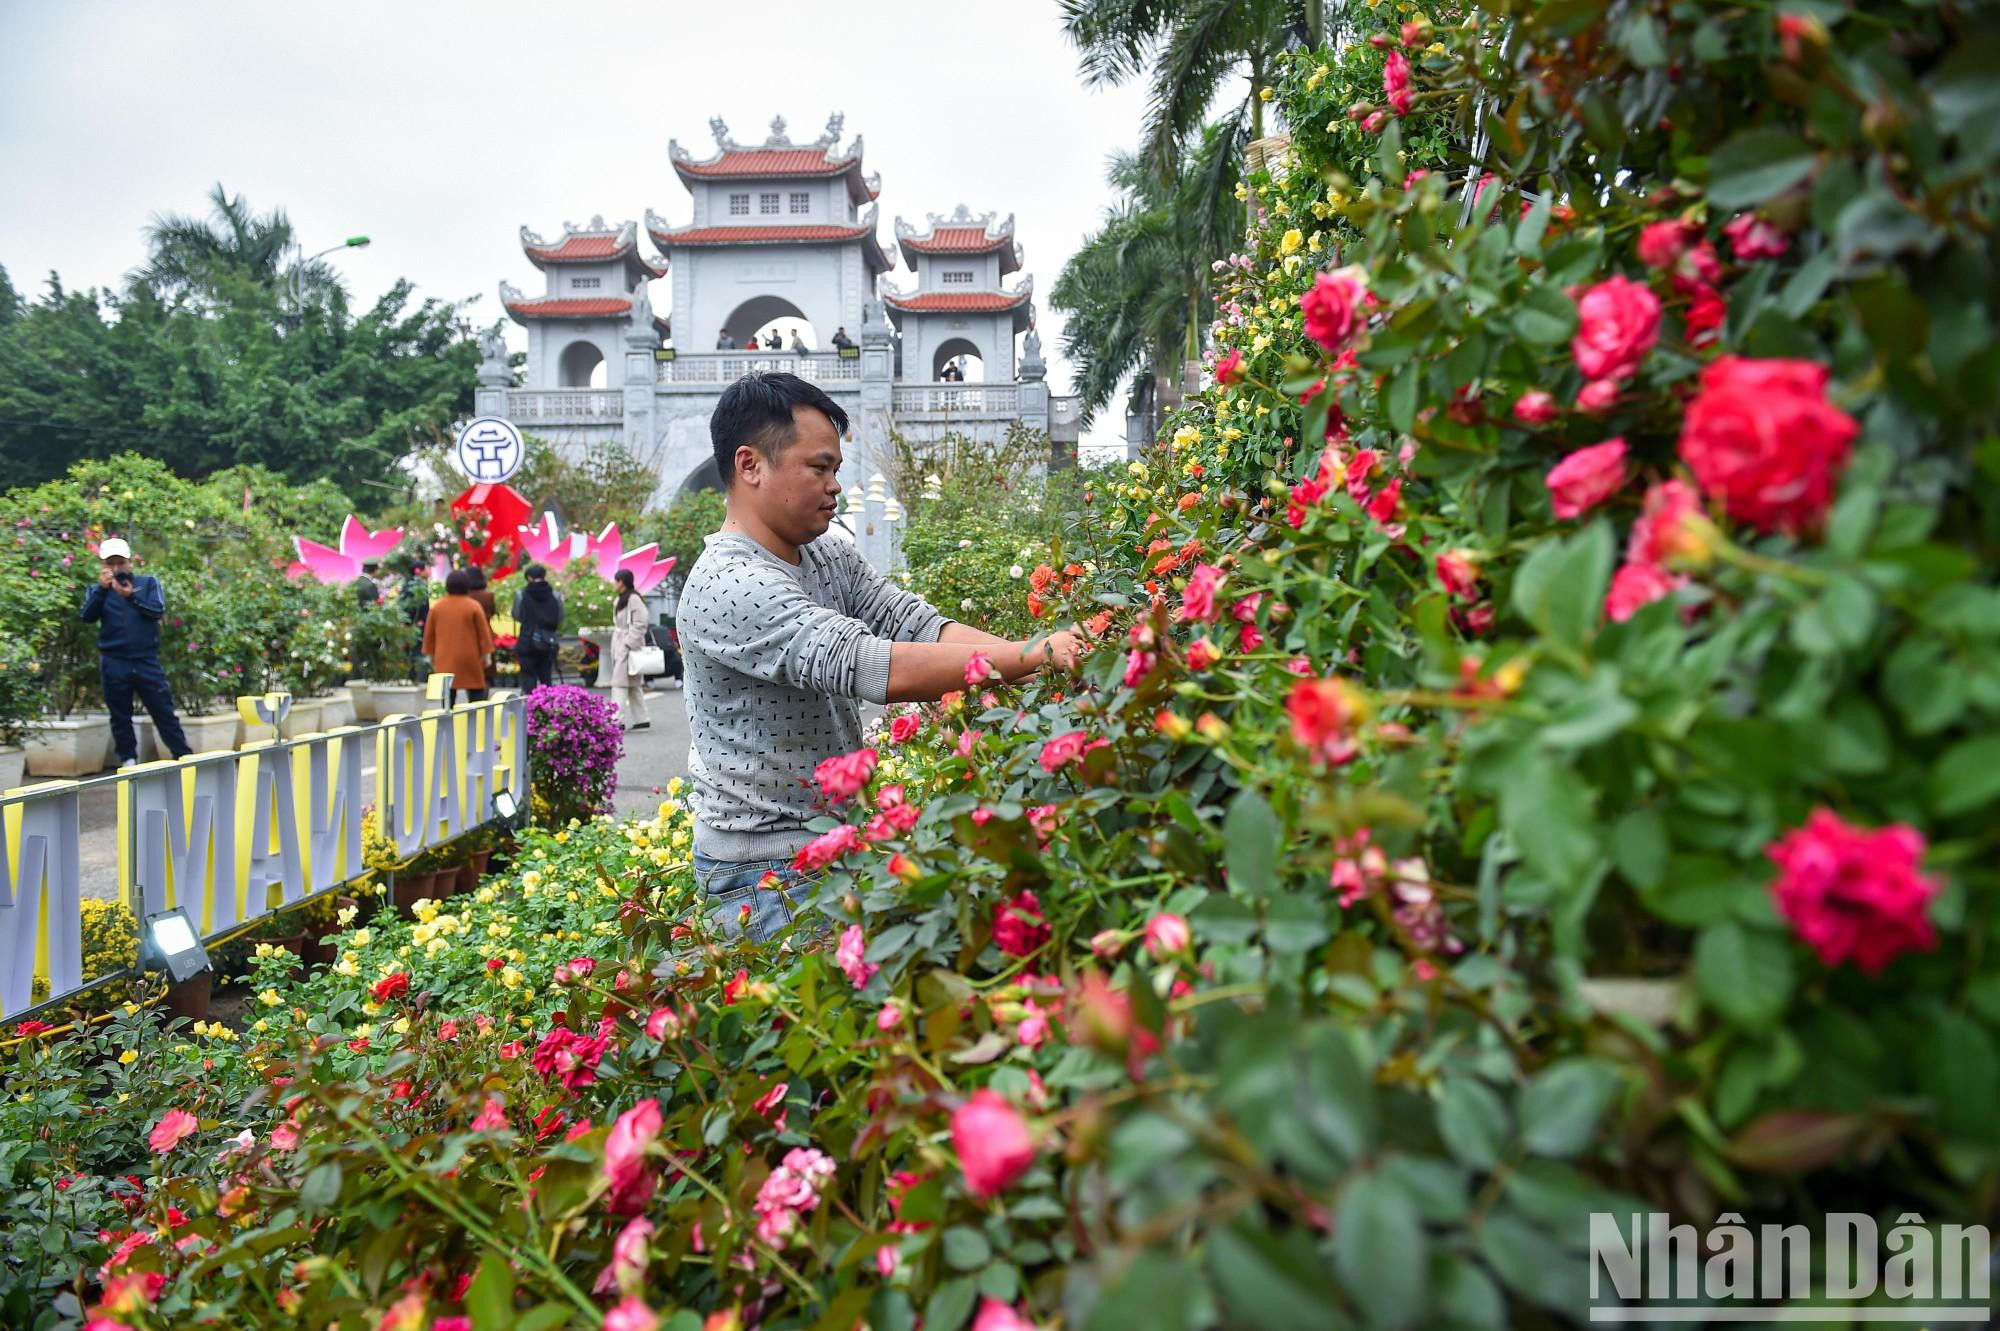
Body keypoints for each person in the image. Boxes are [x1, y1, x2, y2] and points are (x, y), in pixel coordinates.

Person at [678, 372, 1081, 943]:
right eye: (819, 468)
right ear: (751, 465)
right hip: (764, 877)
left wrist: (1044, 658)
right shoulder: (729, 583)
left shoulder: (826, 555)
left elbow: (919, 626)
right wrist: (1037, 654)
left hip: (828, 845)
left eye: (836, 470)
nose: (835, 487)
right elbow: (870, 666)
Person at [79, 537, 192, 769]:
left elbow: (157, 611)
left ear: (129, 562)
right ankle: (128, 762)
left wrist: (131, 597)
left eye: (120, 562)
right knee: (120, 715)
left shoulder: (147, 583)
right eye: (110, 563)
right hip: (114, 660)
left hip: (145, 659)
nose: (116, 568)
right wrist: (102, 590)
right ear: (103, 565)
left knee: (163, 711)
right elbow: (87, 616)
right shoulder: (97, 590)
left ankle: (184, 757)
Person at [422, 569, 495, 704]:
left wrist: (430, 655)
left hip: (445, 656)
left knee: (448, 692)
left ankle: (448, 715)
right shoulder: (473, 606)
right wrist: (487, 655)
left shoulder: (437, 607)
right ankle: (475, 715)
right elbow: (483, 634)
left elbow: (429, 634)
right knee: (476, 691)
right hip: (470, 657)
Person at [608, 568, 651, 731]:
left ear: (622, 582)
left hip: (627, 647)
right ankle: (642, 719)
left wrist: (628, 643)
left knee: (619, 683)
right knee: (633, 684)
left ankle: (616, 719)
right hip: (623, 645)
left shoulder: (633, 599)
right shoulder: (622, 599)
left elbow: (641, 623)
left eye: (616, 581)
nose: (614, 584)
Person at [511, 562, 564, 691]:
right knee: (546, 676)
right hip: (548, 641)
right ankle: (547, 701)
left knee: (528, 676)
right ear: (544, 576)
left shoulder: (521, 594)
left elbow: (516, 615)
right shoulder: (555, 595)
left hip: (527, 639)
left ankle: (529, 701)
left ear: (529, 577)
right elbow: (560, 616)